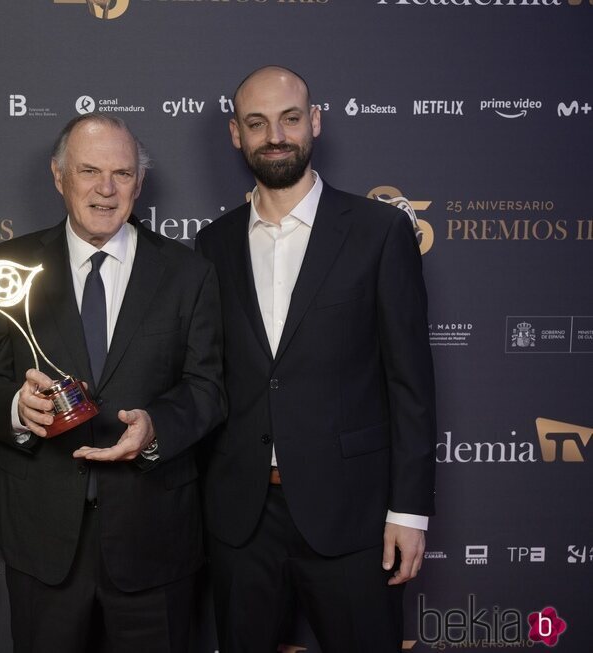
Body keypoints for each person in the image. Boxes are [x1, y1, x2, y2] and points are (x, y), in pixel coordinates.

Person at [194, 66, 437, 652]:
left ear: (315, 123)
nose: (275, 135)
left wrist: (409, 512)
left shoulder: (380, 231)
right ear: (236, 134)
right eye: (257, 123)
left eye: (290, 118)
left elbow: (410, 383)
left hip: (353, 516)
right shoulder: (212, 244)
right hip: (241, 520)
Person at [0, 114, 225, 653]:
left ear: (139, 183)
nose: (105, 189)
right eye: (89, 171)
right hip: (41, 538)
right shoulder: (8, 265)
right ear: (59, 176)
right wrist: (18, 409)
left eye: (122, 173)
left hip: (153, 536)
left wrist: (157, 427)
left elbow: (207, 388)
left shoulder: (188, 272)